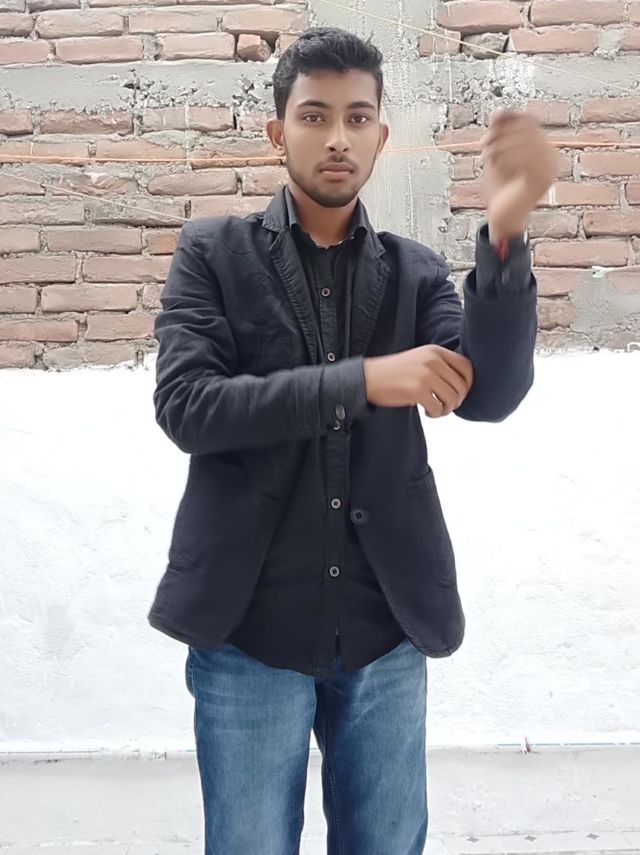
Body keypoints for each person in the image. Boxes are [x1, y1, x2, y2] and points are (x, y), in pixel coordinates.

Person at [148, 27, 557, 855]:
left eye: (358, 117)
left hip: (385, 629)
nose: (338, 137)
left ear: (380, 135)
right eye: (315, 116)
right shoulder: (212, 253)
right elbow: (189, 406)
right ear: (279, 131)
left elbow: (489, 394)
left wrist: (505, 234)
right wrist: (364, 381)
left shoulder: (414, 271)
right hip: (248, 628)